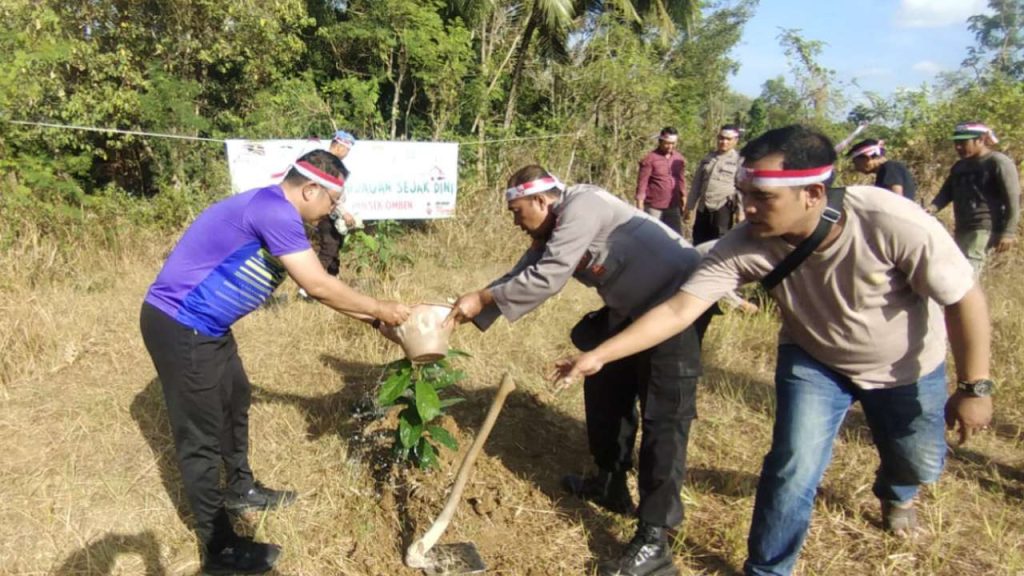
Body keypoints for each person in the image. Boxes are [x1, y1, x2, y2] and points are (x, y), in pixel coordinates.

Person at [555, 125, 995, 576]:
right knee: (792, 467)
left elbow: (964, 298)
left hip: (906, 366)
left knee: (918, 461)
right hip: (814, 360)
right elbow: (679, 309)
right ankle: (766, 569)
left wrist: (974, 386)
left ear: (813, 194)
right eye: (744, 193)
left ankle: (897, 490)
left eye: (762, 197)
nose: (746, 207)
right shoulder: (743, 244)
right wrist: (600, 355)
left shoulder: (888, 219)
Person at [140, 149, 409, 575]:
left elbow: (319, 289)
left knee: (235, 399)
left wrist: (375, 322)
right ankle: (219, 549)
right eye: (332, 200)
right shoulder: (275, 211)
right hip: (180, 325)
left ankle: (241, 489)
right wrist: (380, 307)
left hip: (208, 328)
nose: (332, 210)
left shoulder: (274, 209)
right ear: (311, 189)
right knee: (200, 441)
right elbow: (317, 285)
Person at [445, 165, 702, 576]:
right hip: (629, 309)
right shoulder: (554, 225)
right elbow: (523, 271)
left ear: (541, 200)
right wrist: (466, 311)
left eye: (517, 212)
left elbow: (548, 276)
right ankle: (610, 483)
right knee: (605, 389)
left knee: (664, 418)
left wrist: (483, 297)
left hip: (678, 304)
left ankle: (655, 538)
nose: (515, 222)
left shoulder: (583, 205)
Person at [928, 122, 1020, 277]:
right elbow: (946, 193)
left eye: (963, 143)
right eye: (956, 143)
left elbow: (1013, 200)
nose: (958, 147)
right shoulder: (959, 166)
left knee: (968, 273)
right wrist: (931, 209)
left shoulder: (998, 162)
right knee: (958, 269)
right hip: (963, 226)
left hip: (985, 226)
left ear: (981, 140)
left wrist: (1008, 232)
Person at [300, 130, 360, 300]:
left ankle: (333, 282)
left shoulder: (329, 162)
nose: (347, 154)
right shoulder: (327, 164)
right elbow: (330, 194)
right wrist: (344, 213)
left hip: (331, 212)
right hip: (325, 210)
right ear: (339, 147)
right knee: (329, 248)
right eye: (347, 150)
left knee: (335, 247)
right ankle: (307, 288)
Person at [685, 124, 743, 244]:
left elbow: (741, 188)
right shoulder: (708, 158)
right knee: (698, 239)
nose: (724, 142)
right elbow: (696, 184)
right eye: (721, 138)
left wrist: (740, 212)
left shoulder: (739, 161)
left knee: (719, 242)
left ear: (735, 140)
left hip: (723, 207)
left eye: (728, 139)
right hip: (703, 207)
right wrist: (689, 207)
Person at [636, 127, 687, 234]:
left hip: (673, 205)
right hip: (654, 207)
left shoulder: (679, 159)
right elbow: (642, 183)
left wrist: (684, 200)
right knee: (653, 235)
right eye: (667, 143)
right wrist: (640, 205)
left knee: (675, 236)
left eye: (673, 143)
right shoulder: (650, 159)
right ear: (660, 141)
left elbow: (681, 180)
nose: (670, 146)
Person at [846, 138, 917, 201]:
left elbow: (897, 200)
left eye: (856, 163)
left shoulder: (890, 167)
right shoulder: (884, 171)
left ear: (867, 158)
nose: (856, 168)